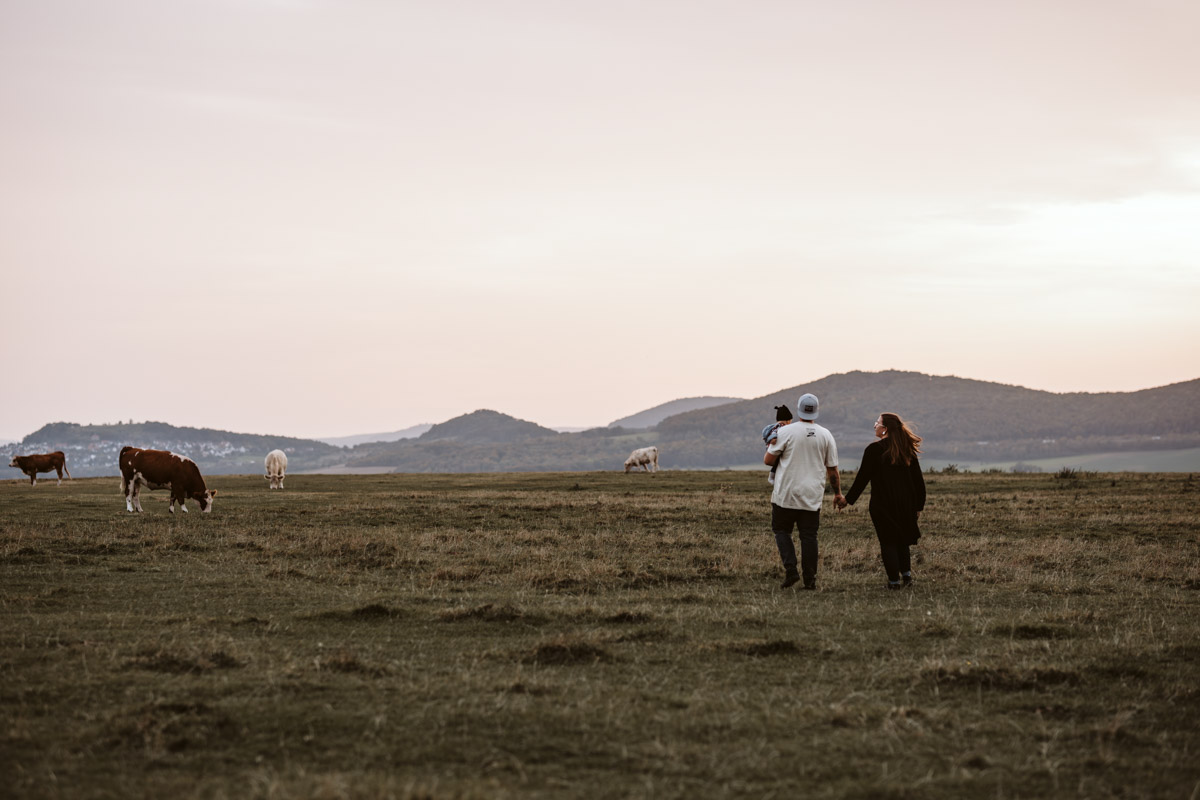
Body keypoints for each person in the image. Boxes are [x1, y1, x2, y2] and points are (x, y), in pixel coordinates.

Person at [764, 393, 842, 590]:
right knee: (809, 537)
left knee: (781, 530)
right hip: (812, 495)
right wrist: (837, 493)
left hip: (786, 493)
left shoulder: (785, 432)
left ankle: (791, 570)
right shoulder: (826, 435)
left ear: (798, 410)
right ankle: (810, 580)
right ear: (816, 411)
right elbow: (833, 470)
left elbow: (768, 460)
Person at [839, 412, 926, 590]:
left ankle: (894, 582)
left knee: (888, 541)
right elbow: (919, 481)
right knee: (902, 539)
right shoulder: (907, 449)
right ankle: (907, 576)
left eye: (877, 423)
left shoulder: (874, 450)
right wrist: (918, 506)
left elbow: (862, 479)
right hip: (906, 504)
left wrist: (847, 500)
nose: (874, 425)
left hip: (882, 504)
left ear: (885, 429)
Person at [760, 404, 793, 485]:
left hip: (770, 447)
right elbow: (775, 433)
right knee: (778, 462)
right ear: (788, 420)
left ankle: (773, 477)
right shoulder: (781, 427)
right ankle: (771, 477)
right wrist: (773, 438)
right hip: (774, 446)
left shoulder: (773, 426)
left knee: (777, 464)